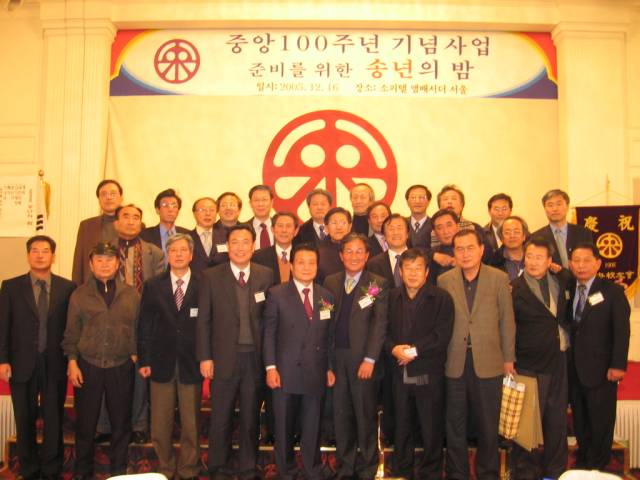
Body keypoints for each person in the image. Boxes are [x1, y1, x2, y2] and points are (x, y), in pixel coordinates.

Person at [197, 225, 274, 479]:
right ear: (227, 246)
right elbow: (204, 320)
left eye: (245, 242)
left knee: (251, 417)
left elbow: (270, 319)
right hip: (223, 358)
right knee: (221, 417)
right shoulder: (211, 276)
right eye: (235, 242)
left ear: (253, 246)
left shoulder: (266, 274)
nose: (240, 247)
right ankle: (218, 467)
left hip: (254, 358)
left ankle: (247, 468)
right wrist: (205, 357)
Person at [437, 229, 515, 480]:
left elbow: (507, 321)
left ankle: (488, 473)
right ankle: (457, 473)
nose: (465, 254)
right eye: (459, 249)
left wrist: (508, 358)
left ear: (482, 250)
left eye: (470, 248)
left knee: (488, 424)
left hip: (489, 361)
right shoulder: (444, 280)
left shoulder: (499, 278)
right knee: (455, 424)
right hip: (454, 362)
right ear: (454, 252)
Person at [0, 235, 76, 480]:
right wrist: (2, 360)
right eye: (35, 250)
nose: (40, 255)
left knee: (54, 419)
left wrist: (72, 359)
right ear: (28, 255)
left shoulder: (68, 287)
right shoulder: (11, 286)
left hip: (55, 362)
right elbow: (3, 325)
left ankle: (52, 470)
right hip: (21, 363)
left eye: (45, 251)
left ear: (53, 256)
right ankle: (29, 470)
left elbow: (72, 327)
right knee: (25, 419)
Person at [62, 242, 139, 479]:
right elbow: (71, 333)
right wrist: (72, 362)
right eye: (99, 260)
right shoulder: (79, 295)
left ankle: (118, 472)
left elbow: (138, 328)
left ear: (117, 264)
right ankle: (82, 472)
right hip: (88, 364)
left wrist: (135, 353)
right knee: (86, 424)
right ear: (91, 264)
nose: (104, 265)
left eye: (109, 260)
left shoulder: (131, 294)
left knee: (121, 423)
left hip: (121, 365)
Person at [263, 243, 335, 480]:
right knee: (284, 427)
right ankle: (286, 471)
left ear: (317, 266)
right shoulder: (277, 294)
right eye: (301, 262)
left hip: (316, 370)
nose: (306, 267)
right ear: (292, 266)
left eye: (311, 263)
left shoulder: (326, 296)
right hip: (285, 372)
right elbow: (269, 334)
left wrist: (330, 367)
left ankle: (313, 470)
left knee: (313, 426)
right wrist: (270, 367)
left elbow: (329, 336)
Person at [95, 203, 164, 445]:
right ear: (116, 223)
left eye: (136, 217)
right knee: (107, 373)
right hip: (110, 319)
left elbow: (159, 290)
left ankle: (139, 424)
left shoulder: (154, 252)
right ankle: (104, 425)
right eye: (126, 216)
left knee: (140, 374)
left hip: (143, 319)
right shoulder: (104, 251)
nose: (131, 221)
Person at [323, 233, 389, 480]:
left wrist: (370, 359)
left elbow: (379, 325)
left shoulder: (376, 283)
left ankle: (369, 467)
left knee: (365, 417)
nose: (354, 256)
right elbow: (324, 319)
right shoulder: (330, 281)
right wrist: (327, 364)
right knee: (341, 417)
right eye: (348, 251)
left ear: (367, 255)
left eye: (359, 251)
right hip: (337, 359)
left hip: (363, 361)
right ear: (341, 255)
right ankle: (346, 466)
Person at [137, 233, 202, 480]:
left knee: (191, 422)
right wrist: (144, 359)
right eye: (173, 250)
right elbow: (144, 324)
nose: (178, 254)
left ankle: (188, 468)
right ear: (167, 254)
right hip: (160, 361)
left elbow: (209, 324)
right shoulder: (153, 285)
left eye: (183, 250)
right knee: (160, 423)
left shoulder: (203, 283)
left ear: (191, 254)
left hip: (192, 362)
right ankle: (165, 466)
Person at [386, 248, 453, 479]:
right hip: (398, 373)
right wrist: (393, 348)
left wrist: (413, 351)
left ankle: (430, 473)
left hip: (428, 373)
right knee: (401, 427)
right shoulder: (391, 297)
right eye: (408, 268)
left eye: (418, 268)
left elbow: (442, 335)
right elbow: (382, 331)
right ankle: (402, 471)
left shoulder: (441, 298)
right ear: (400, 272)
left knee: (431, 428)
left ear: (426, 272)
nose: (413, 273)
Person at [510, 236, 571, 480]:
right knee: (526, 426)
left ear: (549, 261)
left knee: (556, 421)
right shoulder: (514, 288)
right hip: (527, 364)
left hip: (558, 360)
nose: (533, 262)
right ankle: (525, 473)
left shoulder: (560, 282)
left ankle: (556, 472)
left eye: (539, 257)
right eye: (529, 257)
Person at [567, 243, 630, 470]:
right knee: (581, 422)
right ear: (570, 264)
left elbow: (622, 330)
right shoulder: (569, 289)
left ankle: (598, 468)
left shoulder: (612, 291)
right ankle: (584, 466)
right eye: (576, 260)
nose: (581, 265)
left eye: (586, 260)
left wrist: (618, 365)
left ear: (598, 263)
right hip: (574, 370)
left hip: (603, 371)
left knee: (600, 423)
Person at [366, 213, 410, 445]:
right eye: (390, 228)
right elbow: (371, 297)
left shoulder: (421, 259)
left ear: (408, 232)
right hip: (385, 336)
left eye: (400, 228)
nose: (395, 232)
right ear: (383, 235)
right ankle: (389, 436)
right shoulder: (374, 263)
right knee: (387, 390)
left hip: (413, 335)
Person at [72, 179, 122, 285]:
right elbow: (79, 261)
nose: (108, 197)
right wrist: (76, 288)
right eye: (104, 194)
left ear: (121, 198)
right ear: (99, 199)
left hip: (124, 287)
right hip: (92, 286)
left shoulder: (135, 225)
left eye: (113, 194)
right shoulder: (87, 226)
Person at [531, 189, 594, 271]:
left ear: (567, 206)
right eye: (550, 205)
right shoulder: (536, 237)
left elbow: (590, 260)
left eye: (559, 204)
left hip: (579, 277)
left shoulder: (583, 233)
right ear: (545, 209)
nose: (554, 209)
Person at [140, 188, 189, 258]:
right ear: (157, 210)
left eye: (174, 206)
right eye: (165, 205)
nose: (170, 209)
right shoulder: (144, 235)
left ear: (178, 211)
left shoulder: (187, 235)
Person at [252, 211, 298, 284]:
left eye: (288, 226)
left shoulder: (302, 256)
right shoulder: (258, 257)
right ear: (272, 230)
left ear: (296, 231)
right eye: (280, 226)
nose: (284, 230)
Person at [317, 207, 352, 283]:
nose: (338, 227)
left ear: (350, 227)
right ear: (326, 228)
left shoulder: (359, 248)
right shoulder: (318, 252)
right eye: (334, 223)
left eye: (342, 223)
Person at [491, 215, 529, 280]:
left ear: (524, 236)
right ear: (501, 238)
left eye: (516, 232)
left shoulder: (534, 257)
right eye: (507, 232)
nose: (512, 236)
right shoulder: (493, 262)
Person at [429, 209, 460, 282]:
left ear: (458, 226)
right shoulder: (432, 254)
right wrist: (433, 255)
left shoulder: (472, 249)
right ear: (435, 233)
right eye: (440, 228)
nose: (446, 231)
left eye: (449, 225)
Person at [246, 184, 275, 250]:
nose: (260, 204)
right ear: (250, 203)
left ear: (271, 202)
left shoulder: (280, 227)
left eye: (264, 200)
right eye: (256, 200)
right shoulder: (242, 229)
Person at [405, 184, 432, 249]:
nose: (417, 201)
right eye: (413, 198)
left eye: (421, 198)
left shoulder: (435, 224)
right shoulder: (402, 224)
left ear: (428, 202)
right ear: (407, 202)